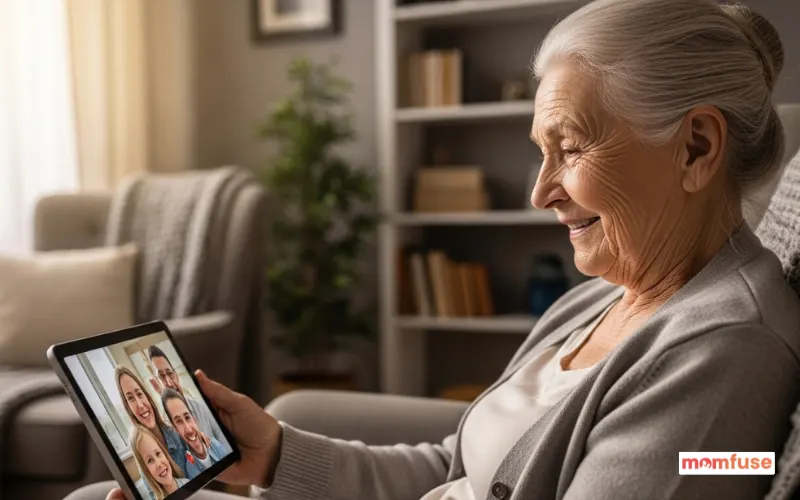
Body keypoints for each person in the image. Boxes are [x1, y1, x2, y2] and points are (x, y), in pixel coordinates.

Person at [75, 1, 800, 499]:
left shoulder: (723, 349)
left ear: (698, 148)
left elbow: (711, 466)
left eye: (570, 148)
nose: (540, 192)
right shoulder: (601, 299)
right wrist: (277, 456)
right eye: (539, 154)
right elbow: (457, 466)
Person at [114, 365, 194, 494]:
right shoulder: (142, 462)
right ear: (128, 407)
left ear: (147, 396)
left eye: (139, 394)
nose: (140, 405)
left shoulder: (176, 432)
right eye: (130, 398)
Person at [147, 345, 229, 448]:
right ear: (156, 382)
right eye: (162, 377)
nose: (169, 383)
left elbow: (225, 442)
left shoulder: (203, 407)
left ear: (176, 375)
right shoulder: (165, 427)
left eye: (170, 373)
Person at [161, 388, 230, 479]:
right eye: (179, 421)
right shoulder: (190, 469)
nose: (189, 429)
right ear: (175, 429)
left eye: (187, 417)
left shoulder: (215, 445)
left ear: (194, 419)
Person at [129, 425, 190, 500]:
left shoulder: (188, 484)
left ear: (165, 454)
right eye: (150, 460)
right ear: (146, 471)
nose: (159, 464)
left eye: (158, 453)